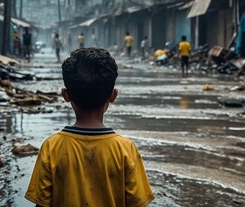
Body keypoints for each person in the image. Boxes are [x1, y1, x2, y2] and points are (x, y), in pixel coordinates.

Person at [25, 48, 155, 207]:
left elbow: (41, 204)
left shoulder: (52, 147)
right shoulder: (126, 149)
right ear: (113, 95)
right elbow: (137, 203)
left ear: (66, 95)